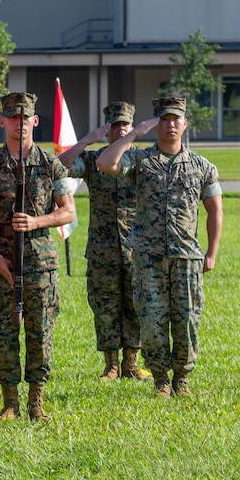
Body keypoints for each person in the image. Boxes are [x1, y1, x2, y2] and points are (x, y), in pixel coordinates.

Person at [96, 96, 222, 398]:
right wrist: (133, 134)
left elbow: (215, 210)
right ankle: (161, 380)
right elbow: (104, 162)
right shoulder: (140, 160)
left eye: (176, 118)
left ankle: (182, 378)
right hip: (148, 258)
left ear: (185, 123)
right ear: (156, 124)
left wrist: (212, 252)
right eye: (164, 118)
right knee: (152, 320)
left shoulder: (202, 166)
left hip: (186, 257)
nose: (171, 124)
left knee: (187, 319)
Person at [0, 92, 75, 422]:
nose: (20, 124)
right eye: (12, 118)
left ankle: (36, 402)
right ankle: (9, 403)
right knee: (3, 335)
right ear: (3, 121)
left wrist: (36, 222)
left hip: (40, 265)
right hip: (0, 262)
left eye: (25, 117)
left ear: (35, 120)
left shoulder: (51, 165)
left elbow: (67, 211)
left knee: (40, 333)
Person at [58, 102, 153, 381]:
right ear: (107, 129)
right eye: (115, 125)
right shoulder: (93, 160)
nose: (120, 129)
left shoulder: (142, 160)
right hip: (102, 248)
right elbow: (60, 167)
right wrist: (86, 141)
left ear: (132, 127)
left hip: (136, 246)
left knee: (135, 304)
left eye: (125, 125)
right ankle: (111, 364)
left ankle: (131, 364)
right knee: (104, 305)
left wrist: (131, 139)